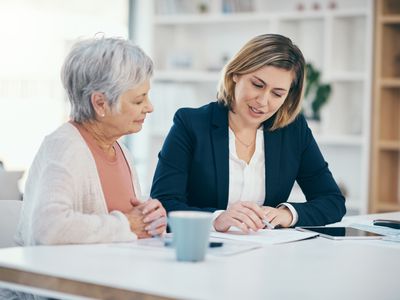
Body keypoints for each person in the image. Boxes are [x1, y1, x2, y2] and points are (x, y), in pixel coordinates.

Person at [151, 34, 346, 233]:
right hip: (204, 252)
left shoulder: (293, 131)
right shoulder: (191, 124)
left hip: (266, 254)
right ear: (236, 73)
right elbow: (162, 205)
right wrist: (217, 219)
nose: (263, 101)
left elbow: (332, 201)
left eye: (277, 93)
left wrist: (287, 214)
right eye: (257, 85)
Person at [16, 37, 166, 245]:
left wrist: (149, 220)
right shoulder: (65, 147)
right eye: (138, 100)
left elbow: (126, 227)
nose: (149, 107)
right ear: (100, 103)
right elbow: (48, 228)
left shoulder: (121, 150)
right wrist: (128, 225)